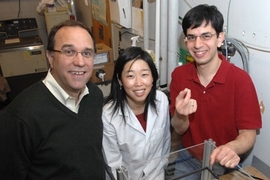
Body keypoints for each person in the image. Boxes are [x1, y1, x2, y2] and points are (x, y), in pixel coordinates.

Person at [0, 20, 105, 179]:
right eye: (69, 52)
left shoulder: (94, 96)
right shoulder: (20, 117)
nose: (80, 62)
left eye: (87, 53)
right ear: (50, 57)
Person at [169, 4, 262, 179]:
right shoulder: (179, 75)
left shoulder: (240, 80)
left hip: (224, 163)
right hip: (187, 158)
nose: (197, 45)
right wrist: (181, 115)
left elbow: (248, 134)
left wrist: (232, 148)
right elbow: (179, 129)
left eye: (206, 36)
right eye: (191, 37)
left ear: (220, 38)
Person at [102, 47, 171, 180]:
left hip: (156, 175)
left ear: (153, 77)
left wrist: (162, 167)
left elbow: (165, 142)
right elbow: (114, 163)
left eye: (144, 74)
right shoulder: (108, 115)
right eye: (130, 76)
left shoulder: (161, 100)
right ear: (120, 80)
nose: (139, 83)